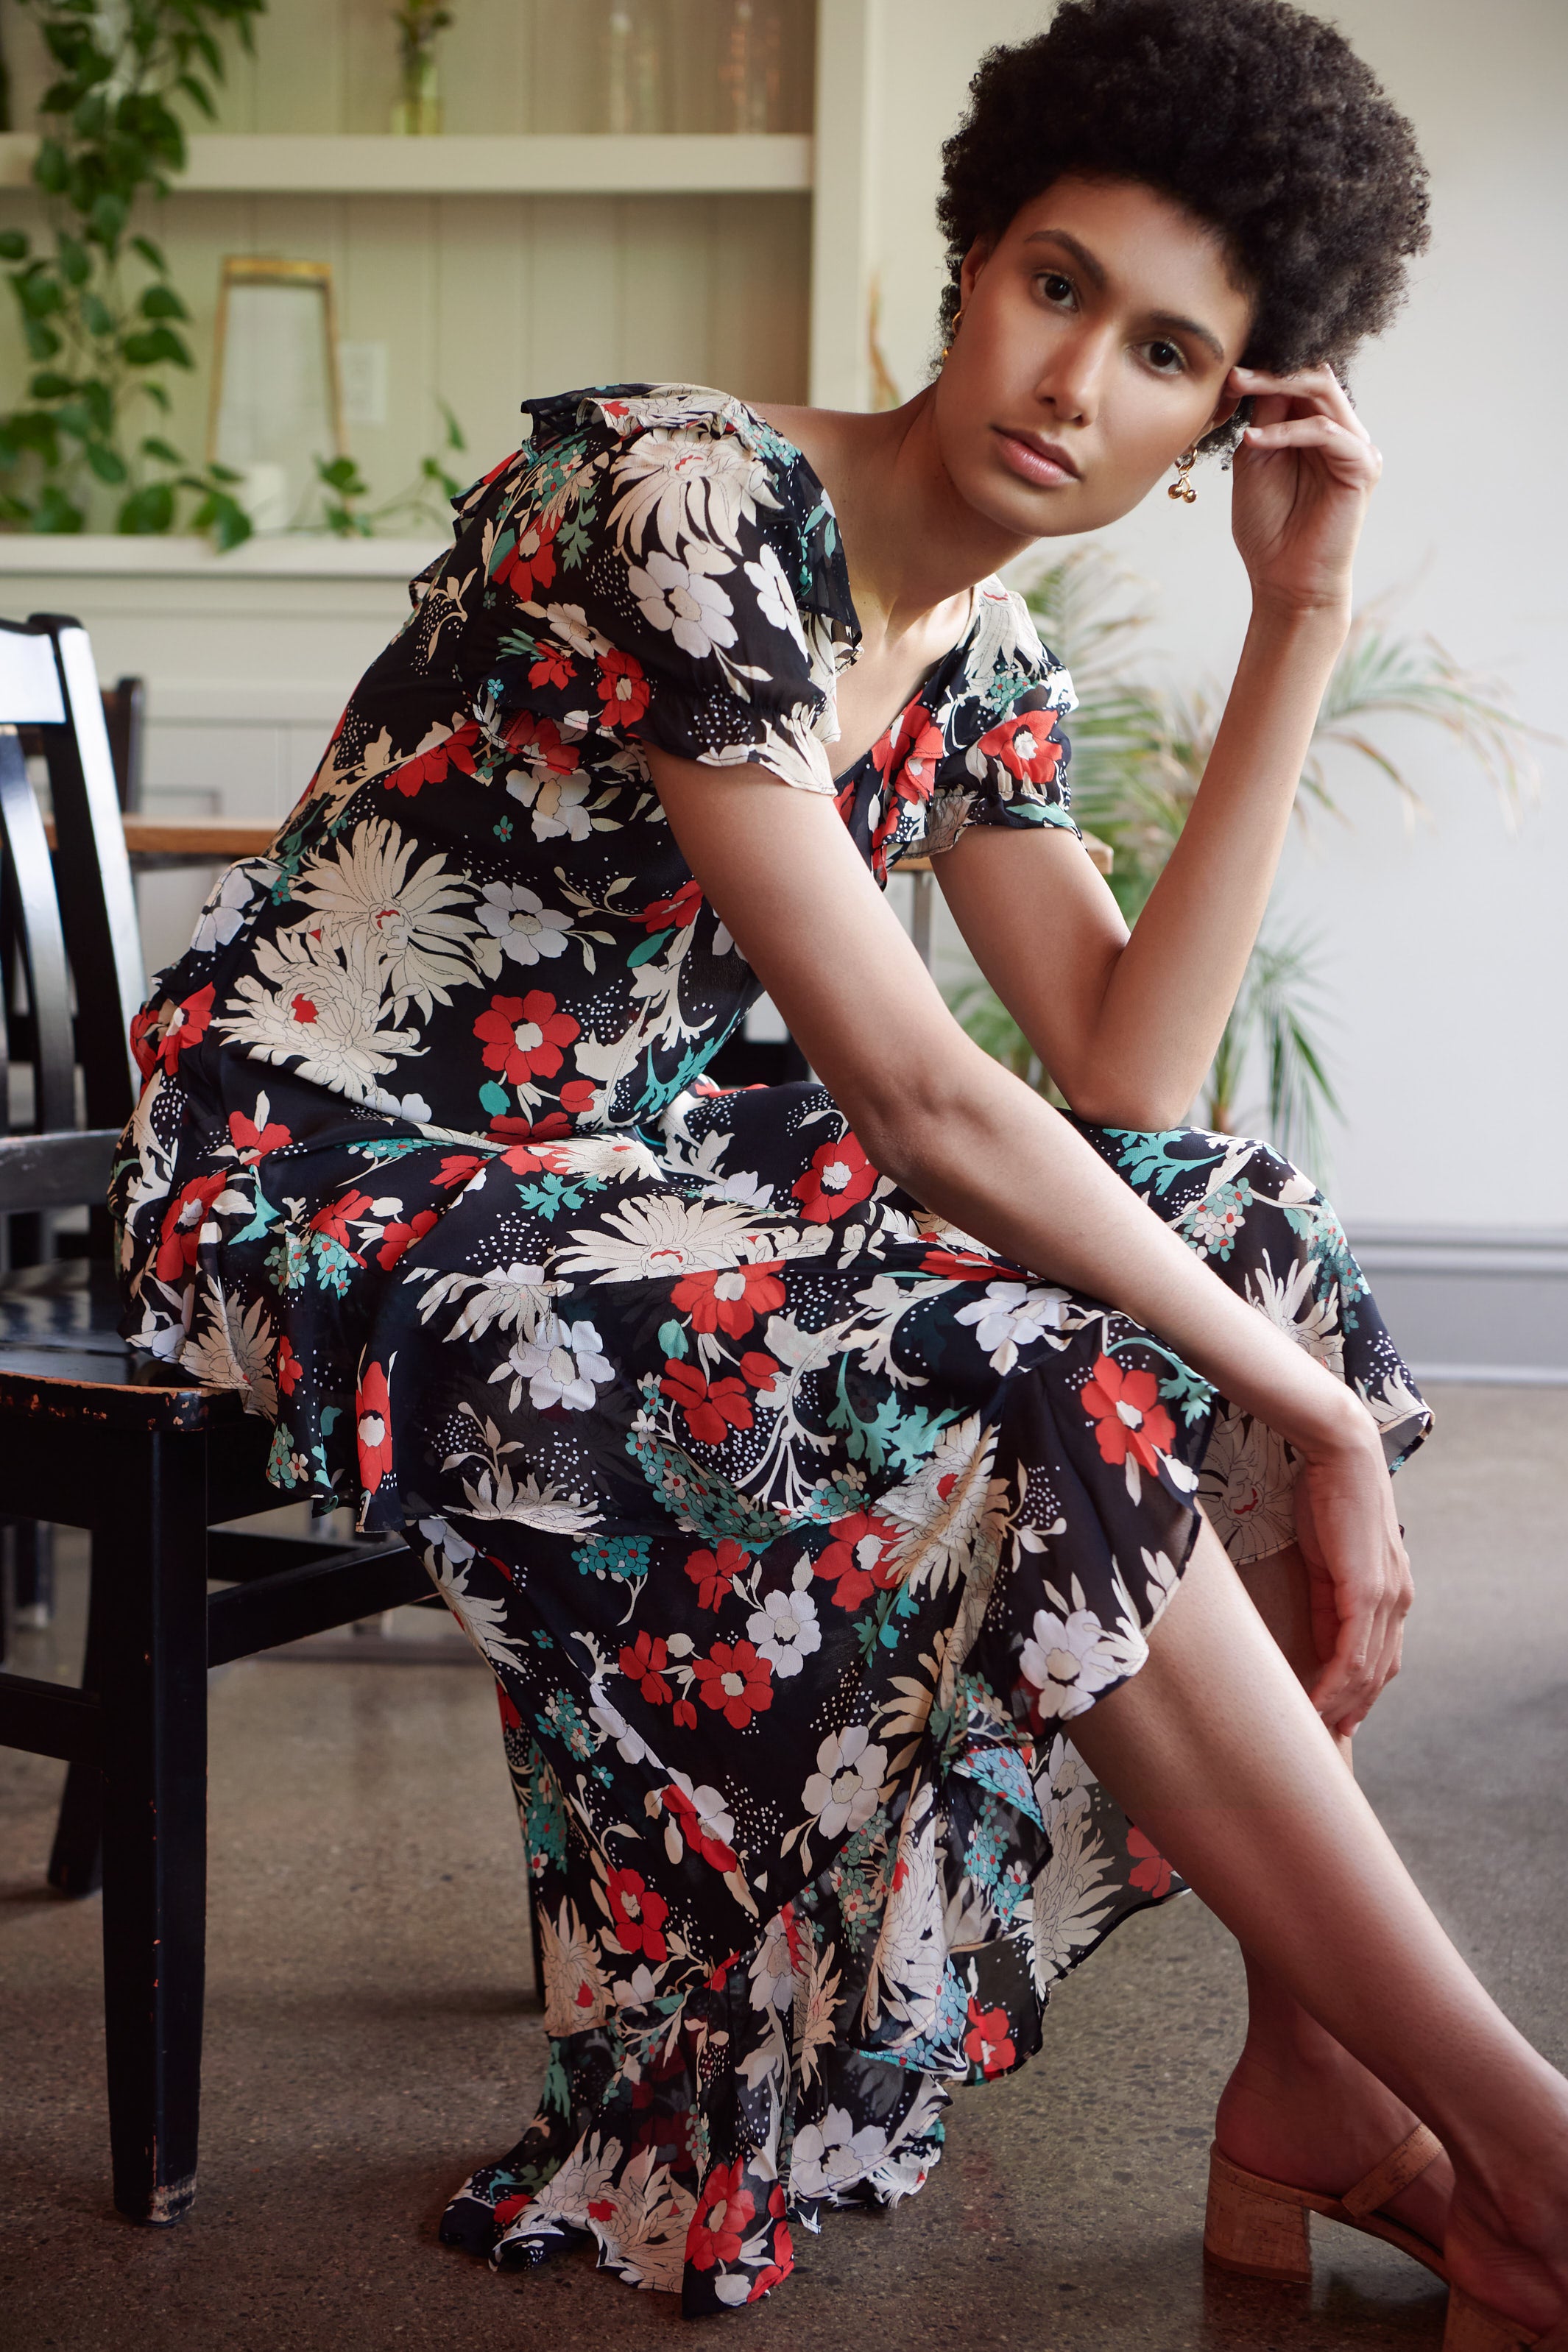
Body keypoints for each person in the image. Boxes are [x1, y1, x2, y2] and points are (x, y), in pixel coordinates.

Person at [113, 0, 1568, 2337]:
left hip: (634, 1169)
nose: (1078, 380)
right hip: (334, 1172)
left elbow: (1124, 1079)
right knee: (1048, 1367)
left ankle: (1316, 2074)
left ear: (1219, 426)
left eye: (1170, 354)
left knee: (1249, 1244)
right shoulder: (692, 504)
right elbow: (925, 1107)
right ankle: (1522, 2143)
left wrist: (1294, 617)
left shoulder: (977, 642)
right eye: (1058, 284)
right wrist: (1293, 1423)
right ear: (968, 259)